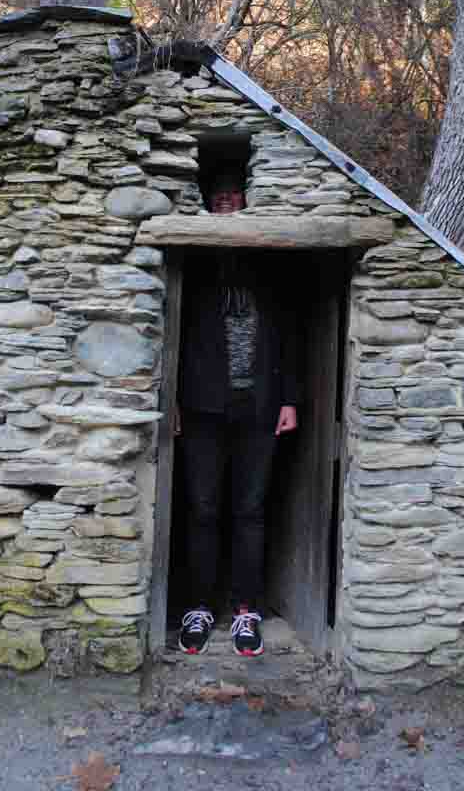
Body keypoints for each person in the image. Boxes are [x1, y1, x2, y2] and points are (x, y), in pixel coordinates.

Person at [175, 164, 299, 657]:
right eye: (218, 194)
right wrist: (174, 402)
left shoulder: (270, 264)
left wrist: (289, 397)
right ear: (206, 203)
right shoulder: (194, 262)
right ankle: (199, 607)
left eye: (234, 193)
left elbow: (290, 335)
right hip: (202, 409)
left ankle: (247, 610)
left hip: (260, 410)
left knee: (250, 511)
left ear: (249, 198)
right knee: (202, 510)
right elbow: (172, 336)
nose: (226, 200)